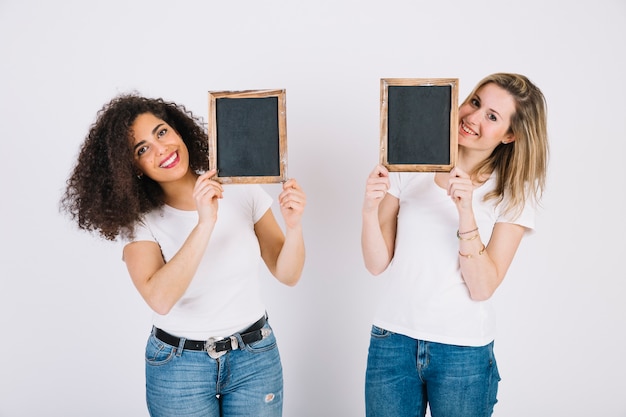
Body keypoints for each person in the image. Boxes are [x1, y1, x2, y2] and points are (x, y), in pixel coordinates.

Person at [60, 94, 306, 417]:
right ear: (130, 167)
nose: (161, 149)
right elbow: (160, 298)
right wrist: (205, 223)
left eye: (161, 132)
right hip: (179, 369)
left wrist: (295, 226)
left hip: (254, 358)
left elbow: (287, 273)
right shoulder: (140, 222)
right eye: (142, 149)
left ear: (178, 130)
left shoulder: (241, 188)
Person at [361, 73, 548, 417]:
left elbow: (482, 287)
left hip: (463, 352)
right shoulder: (409, 164)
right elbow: (376, 263)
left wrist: (466, 212)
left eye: (492, 116)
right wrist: (370, 208)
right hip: (393, 341)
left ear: (510, 135)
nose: (473, 118)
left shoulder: (512, 192)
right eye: (475, 102)